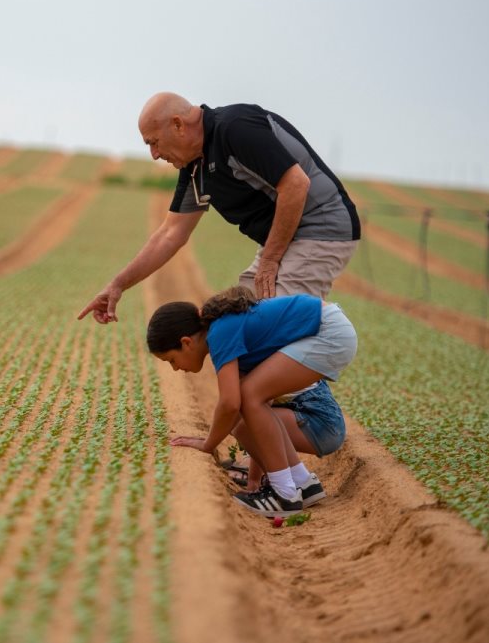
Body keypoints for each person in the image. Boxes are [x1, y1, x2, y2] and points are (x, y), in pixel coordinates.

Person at [80, 92, 360, 323]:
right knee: (240, 319)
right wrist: (118, 284)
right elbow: (171, 234)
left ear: (178, 124)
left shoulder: (234, 128)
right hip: (287, 237)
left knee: (275, 325)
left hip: (322, 226)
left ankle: (310, 389)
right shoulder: (194, 166)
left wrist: (270, 261)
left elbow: (296, 185)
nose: (154, 154)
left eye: (153, 142)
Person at [147, 285, 357, 517]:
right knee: (249, 401)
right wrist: (252, 475)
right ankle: (303, 483)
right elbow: (249, 415)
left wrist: (208, 444)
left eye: (171, 360)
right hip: (331, 327)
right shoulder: (222, 330)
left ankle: (285, 495)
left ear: (186, 342)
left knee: (249, 395)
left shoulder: (220, 332)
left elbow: (230, 403)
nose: (176, 368)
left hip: (329, 331)